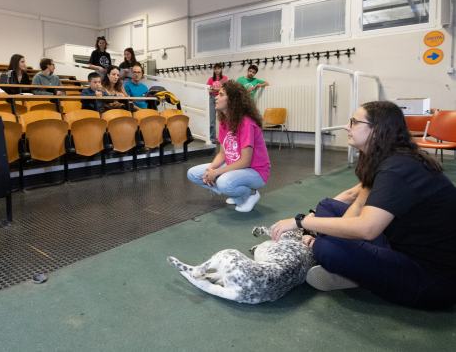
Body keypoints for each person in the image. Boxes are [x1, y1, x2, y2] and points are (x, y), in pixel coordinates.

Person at [270, 101, 456, 310]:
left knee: (326, 248)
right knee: (327, 206)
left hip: (433, 279)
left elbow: (367, 228)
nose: (346, 127)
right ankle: (352, 269)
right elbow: (357, 205)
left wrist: (302, 222)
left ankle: (351, 271)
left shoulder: (398, 168)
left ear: (376, 130)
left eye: (354, 122)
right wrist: (328, 232)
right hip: (398, 244)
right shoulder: (386, 158)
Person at [186, 81, 270, 212]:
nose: (216, 97)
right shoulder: (224, 122)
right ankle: (237, 193)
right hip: (235, 167)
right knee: (194, 174)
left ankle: (251, 193)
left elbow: (245, 162)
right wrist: (210, 170)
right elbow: (222, 154)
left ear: (232, 100)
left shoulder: (246, 124)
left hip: (256, 171)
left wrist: (216, 173)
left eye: (221, 94)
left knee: (223, 182)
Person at [207, 63, 228, 142]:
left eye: (218, 68)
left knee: (223, 119)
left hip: (221, 97)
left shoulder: (224, 78)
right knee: (212, 120)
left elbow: (225, 89)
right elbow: (208, 90)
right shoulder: (211, 79)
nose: (217, 70)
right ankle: (212, 139)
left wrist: (214, 89)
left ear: (221, 69)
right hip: (212, 98)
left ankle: (223, 138)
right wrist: (219, 89)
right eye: (215, 69)